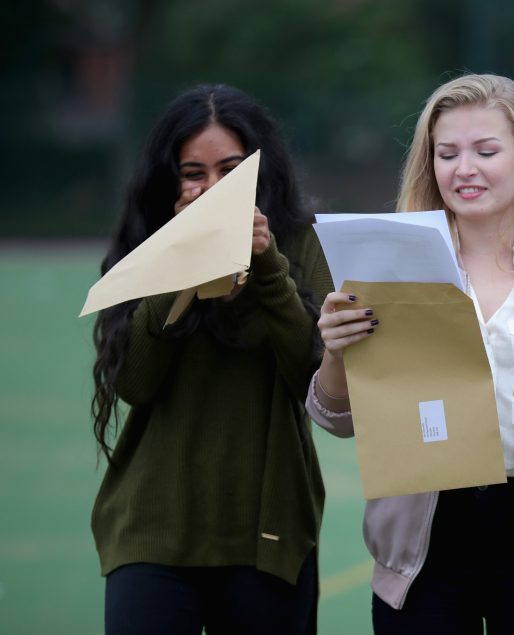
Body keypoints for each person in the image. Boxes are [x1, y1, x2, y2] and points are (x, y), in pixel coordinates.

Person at [306, 73, 514, 633]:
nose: (465, 169)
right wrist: (335, 352)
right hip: (425, 543)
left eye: (487, 150)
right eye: (447, 153)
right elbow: (336, 419)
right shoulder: (391, 270)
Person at [90, 84, 332, 634]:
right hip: (150, 535)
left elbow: (313, 381)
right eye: (194, 173)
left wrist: (267, 268)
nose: (212, 189)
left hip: (267, 536)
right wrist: (177, 265)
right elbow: (135, 383)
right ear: (170, 181)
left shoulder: (302, 243)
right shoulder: (147, 244)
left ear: (260, 171)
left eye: (231, 169)